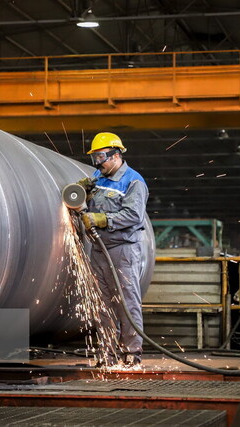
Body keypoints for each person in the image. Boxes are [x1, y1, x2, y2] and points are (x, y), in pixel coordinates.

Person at [77, 132, 149, 367]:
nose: (97, 163)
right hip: (99, 249)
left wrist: (102, 219)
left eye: (101, 157)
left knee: (126, 301)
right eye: (94, 158)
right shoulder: (98, 177)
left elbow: (133, 215)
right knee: (102, 303)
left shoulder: (133, 181)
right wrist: (83, 193)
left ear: (116, 155)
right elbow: (86, 204)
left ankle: (132, 352)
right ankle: (106, 353)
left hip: (123, 250)